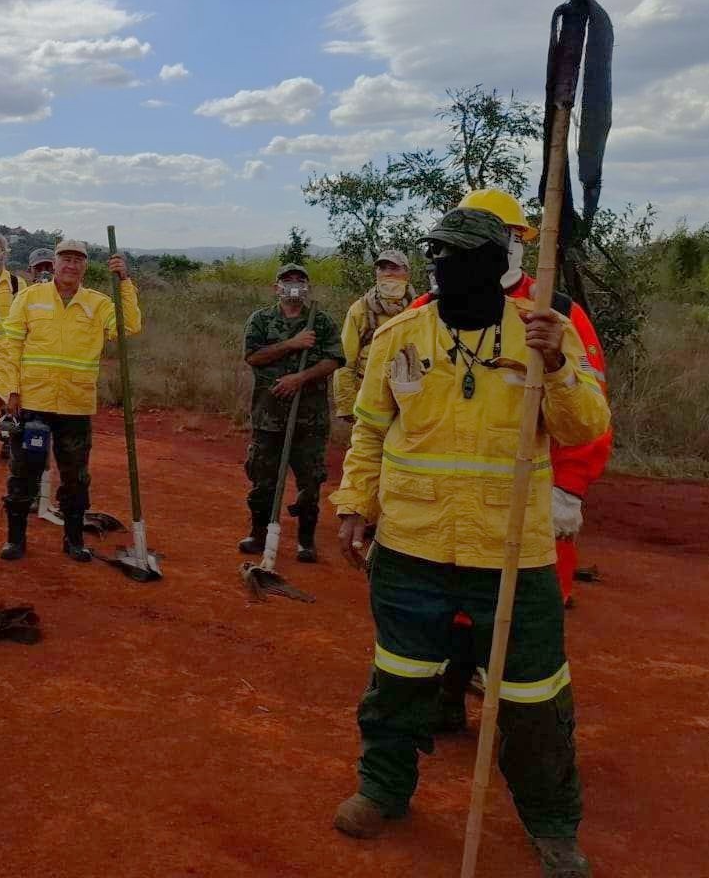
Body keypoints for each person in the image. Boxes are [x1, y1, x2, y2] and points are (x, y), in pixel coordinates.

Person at [330, 208, 609, 878]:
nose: (446, 268)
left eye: (462, 257)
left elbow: (583, 428)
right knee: (398, 680)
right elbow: (370, 433)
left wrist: (559, 367)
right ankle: (384, 789)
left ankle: (552, 827)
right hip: (412, 546)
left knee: (535, 698)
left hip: (512, 553)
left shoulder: (544, 333)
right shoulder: (401, 335)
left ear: (497, 262)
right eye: (439, 256)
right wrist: (353, 506)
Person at [0, 239, 139, 563]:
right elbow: (10, 347)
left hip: (75, 406)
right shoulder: (29, 298)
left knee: (76, 478)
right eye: (65, 259)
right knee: (24, 472)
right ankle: (15, 539)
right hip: (33, 404)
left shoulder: (98, 304)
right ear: (54, 263)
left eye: (78, 260)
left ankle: (73, 539)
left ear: (85, 266)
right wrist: (9, 389)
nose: (71, 265)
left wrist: (124, 282)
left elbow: (129, 326)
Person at [240, 262, 345, 563]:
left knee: (310, 482)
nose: (294, 285)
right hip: (268, 417)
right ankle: (258, 535)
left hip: (309, 419)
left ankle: (305, 541)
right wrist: (292, 344)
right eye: (288, 281)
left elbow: (334, 360)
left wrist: (299, 378)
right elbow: (253, 356)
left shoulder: (321, 322)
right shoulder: (260, 320)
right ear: (277, 287)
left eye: (300, 281)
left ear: (307, 287)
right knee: (263, 481)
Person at [335, 249, 416, 422]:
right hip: (369, 395)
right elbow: (345, 362)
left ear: (407, 273)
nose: (387, 273)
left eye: (394, 268)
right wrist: (346, 405)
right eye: (382, 268)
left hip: (412, 396)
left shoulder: (420, 308)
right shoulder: (360, 309)